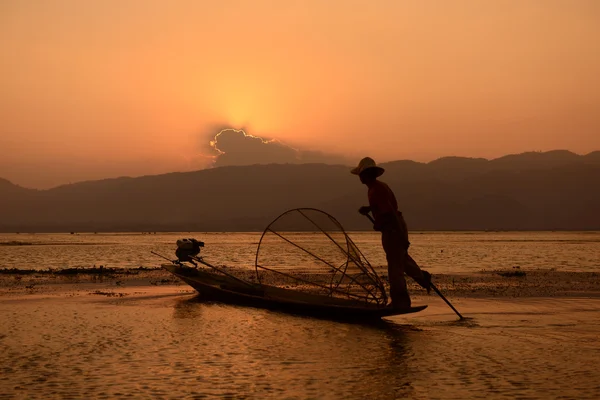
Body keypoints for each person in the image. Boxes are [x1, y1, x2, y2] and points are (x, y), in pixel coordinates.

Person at [351, 157, 431, 308]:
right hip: (393, 226)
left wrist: (398, 233)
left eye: (361, 174)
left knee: (394, 266)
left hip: (392, 228)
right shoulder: (377, 187)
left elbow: (390, 213)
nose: (359, 177)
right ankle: (422, 277)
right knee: (401, 259)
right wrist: (369, 209)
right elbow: (382, 207)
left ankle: (400, 301)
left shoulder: (376, 190)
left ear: (366, 174)